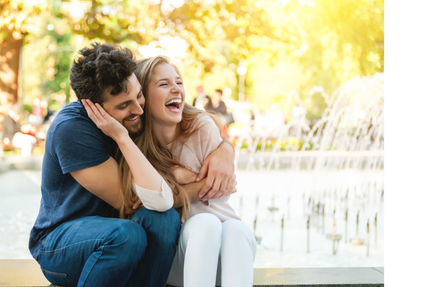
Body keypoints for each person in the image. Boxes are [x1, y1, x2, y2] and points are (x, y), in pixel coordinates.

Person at [29, 42, 237, 287]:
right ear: (93, 107)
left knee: (164, 218)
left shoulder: (136, 111)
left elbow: (190, 117)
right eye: (123, 105)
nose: (138, 108)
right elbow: (129, 202)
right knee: (126, 235)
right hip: (62, 244)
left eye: (139, 95)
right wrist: (206, 186)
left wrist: (225, 149)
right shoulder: (72, 130)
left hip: (121, 238)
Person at [84, 55, 255, 287]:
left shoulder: (200, 127)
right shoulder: (134, 148)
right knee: (206, 223)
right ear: (142, 97)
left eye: (179, 82)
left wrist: (179, 179)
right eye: (164, 84)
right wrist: (186, 178)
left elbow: (223, 190)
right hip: (180, 254)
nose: (176, 89)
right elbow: (146, 202)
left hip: (230, 250)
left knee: (235, 228)